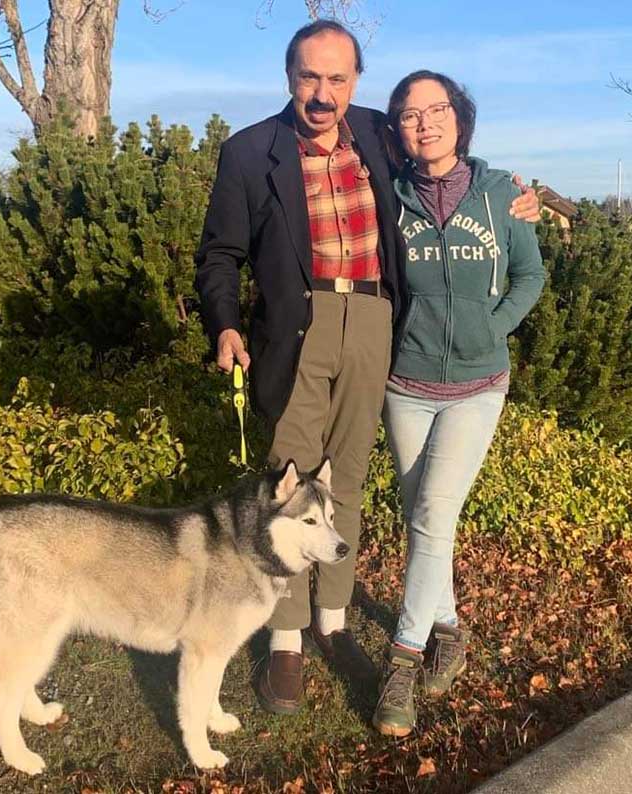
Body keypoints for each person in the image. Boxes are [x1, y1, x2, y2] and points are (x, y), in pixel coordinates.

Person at [195, 22, 540, 716]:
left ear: (355, 81)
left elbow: (447, 159)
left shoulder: (379, 134)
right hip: (301, 327)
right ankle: (287, 639)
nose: (323, 95)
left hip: (375, 322)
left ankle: (334, 622)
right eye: (309, 78)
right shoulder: (248, 152)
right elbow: (219, 253)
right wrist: (226, 323)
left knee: (345, 476)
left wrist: (516, 198)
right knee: (290, 479)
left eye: (338, 79)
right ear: (289, 74)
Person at [371, 71, 546, 737]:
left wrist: (490, 328)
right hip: (406, 385)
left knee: (432, 516)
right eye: (411, 115)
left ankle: (404, 661)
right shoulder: (388, 197)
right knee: (423, 517)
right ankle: (450, 629)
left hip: (477, 386)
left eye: (437, 109)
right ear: (397, 132)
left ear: (459, 118)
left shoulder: (504, 194)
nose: (426, 122)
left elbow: (530, 274)